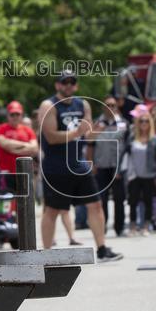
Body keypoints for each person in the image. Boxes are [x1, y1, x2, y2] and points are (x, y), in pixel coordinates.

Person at [38, 71, 119, 261]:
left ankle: (102, 248)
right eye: (64, 82)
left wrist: (97, 132)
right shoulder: (48, 106)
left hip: (78, 164)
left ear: (76, 86)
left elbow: (87, 136)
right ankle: (47, 255)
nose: (68, 86)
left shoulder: (83, 105)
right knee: (52, 210)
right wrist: (76, 132)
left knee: (96, 205)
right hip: (56, 167)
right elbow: (50, 136)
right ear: (57, 85)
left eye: (72, 82)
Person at [91, 94, 129, 238]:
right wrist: (91, 163)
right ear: (103, 107)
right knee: (102, 199)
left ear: (117, 106)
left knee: (119, 198)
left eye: (113, 105)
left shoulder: (124, 123)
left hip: (117, 166)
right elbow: (90, 144)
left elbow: (127, 146)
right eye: (108, 105)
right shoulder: (96, 123)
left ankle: (119, 228)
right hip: (101, 165)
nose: (110, 108)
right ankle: (103, 227)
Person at [125, 109, 156, 236]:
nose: (144, 124)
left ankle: (146, 226)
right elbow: (125, 155)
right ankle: (133, 226)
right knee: (133, 201)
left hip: (149, 174)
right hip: (134, 174)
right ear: (137, 123)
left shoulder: (154, 140)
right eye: (141, 121)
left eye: (146, 121)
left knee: (148, 201)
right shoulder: (131, 138)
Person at [0, 101, 38, 191]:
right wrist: (26, 146)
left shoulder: (28, 130)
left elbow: (34, 149)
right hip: (5, 174)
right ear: (8, 115)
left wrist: (12, 148)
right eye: (12, 114)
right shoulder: (0, 128)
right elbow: (3, 143)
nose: (15, 117)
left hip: (24, 173)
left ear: (21, 115)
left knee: (25, 203)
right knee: (6, 202)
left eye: (17, 114)